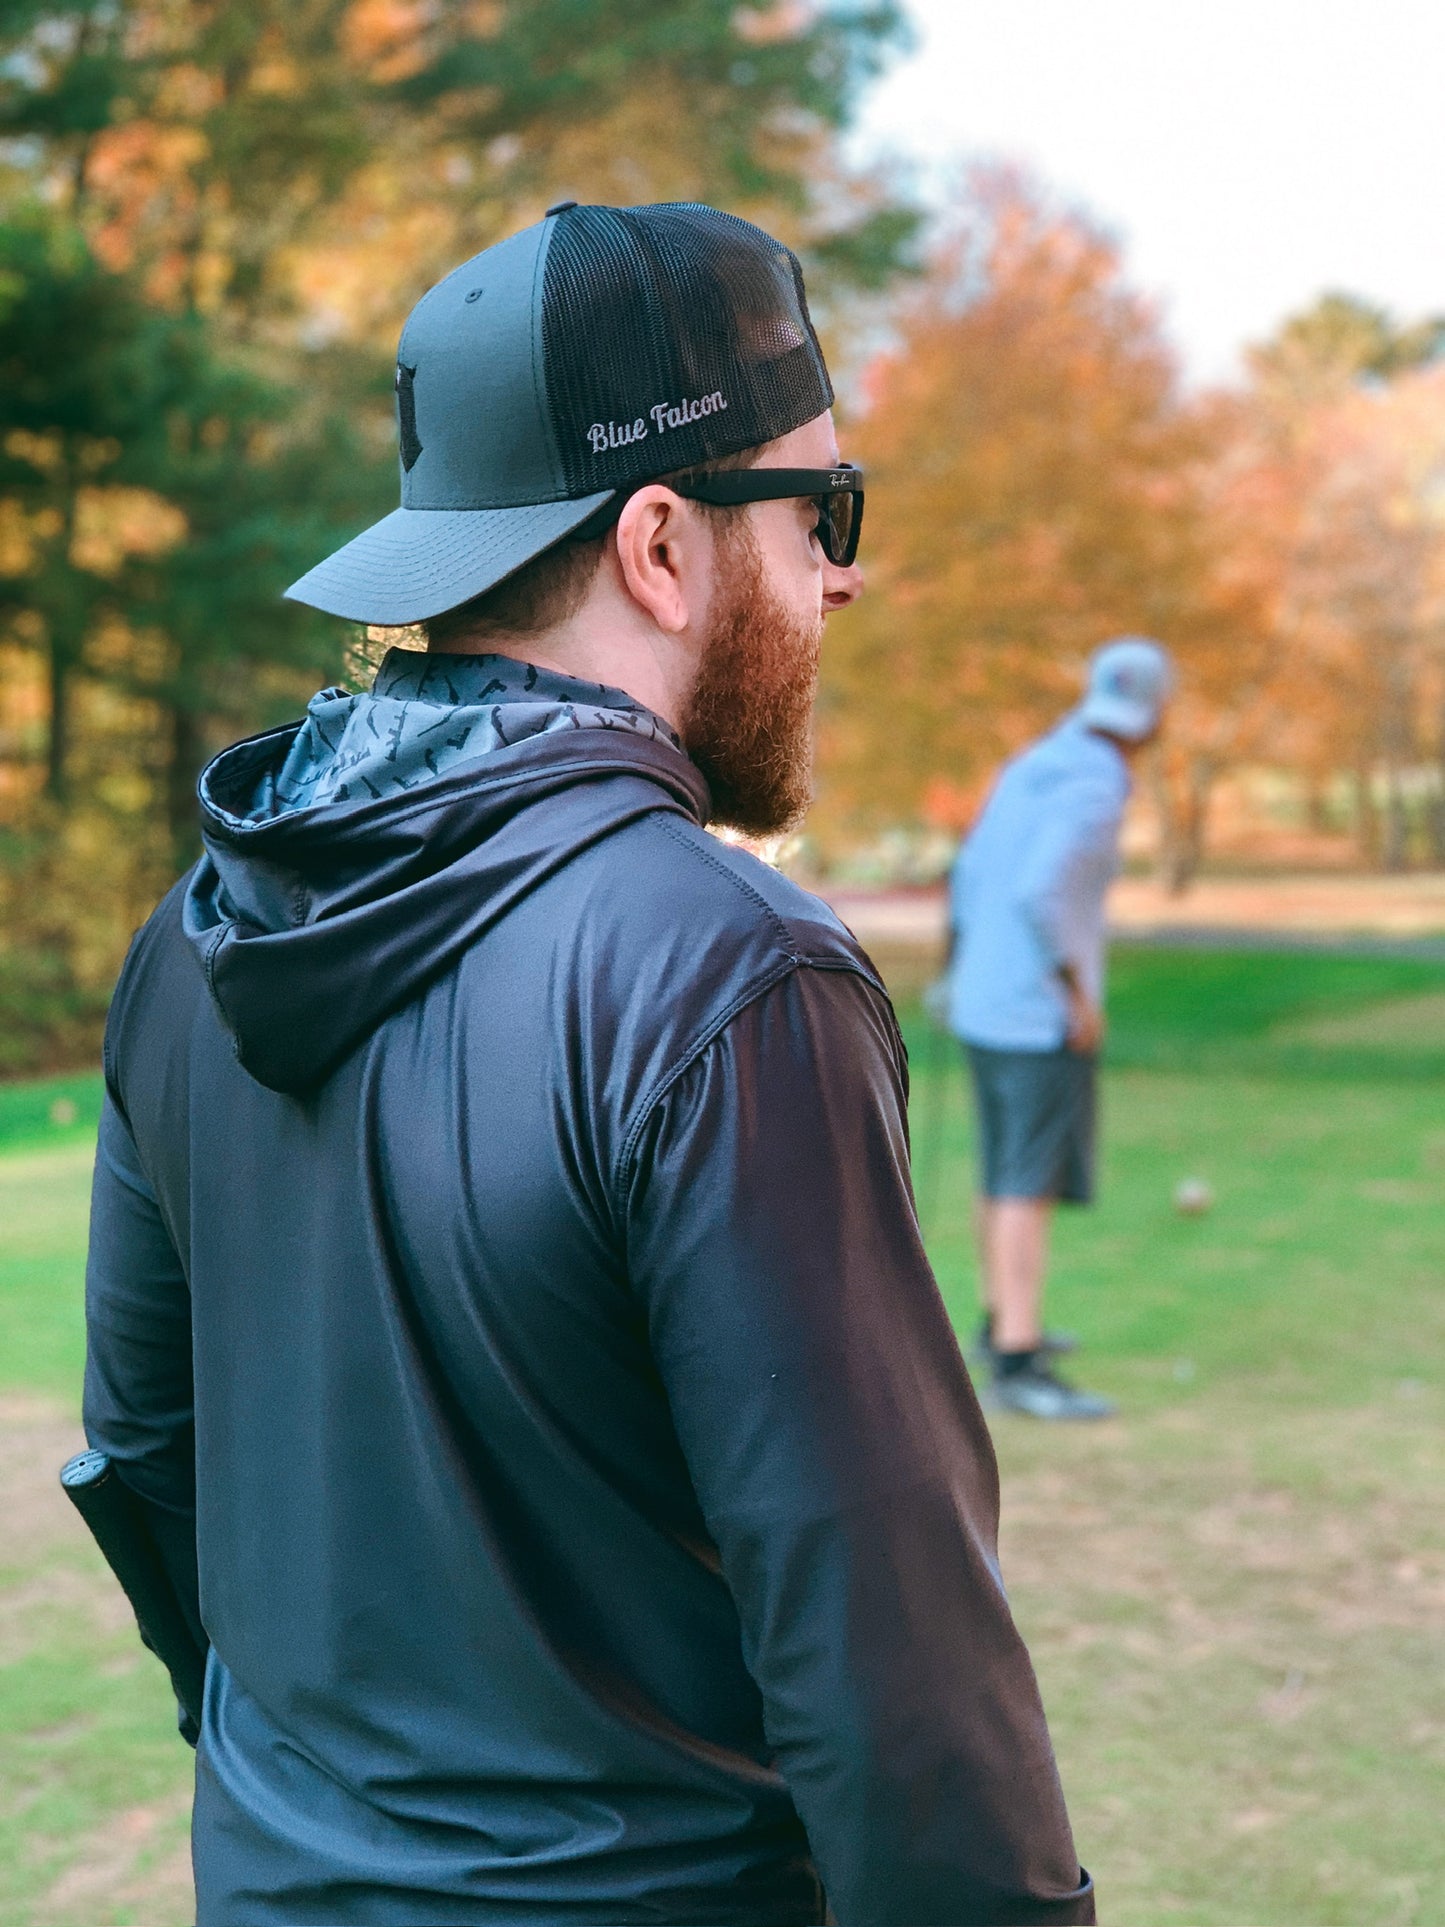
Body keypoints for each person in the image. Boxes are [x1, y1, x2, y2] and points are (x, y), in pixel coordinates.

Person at [83, 201, 1094, 1926]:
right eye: (822, 507)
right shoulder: (732, 974)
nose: (843, 570)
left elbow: (147, 1464)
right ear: (659, 544)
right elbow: (890, 1650)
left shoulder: (192, 944)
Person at [945, 638, 1173, 1422]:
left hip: (983, 997)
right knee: (1025, 1182)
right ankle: (1018, 1356)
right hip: (1033, 1010)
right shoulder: (1100, 781)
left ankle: (996, 1321)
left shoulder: (1038, 758)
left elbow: (972, 874)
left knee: (1002, 1168)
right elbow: (1042, 893)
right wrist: (1077, 993)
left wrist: (964, 968)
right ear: (1153, 714)